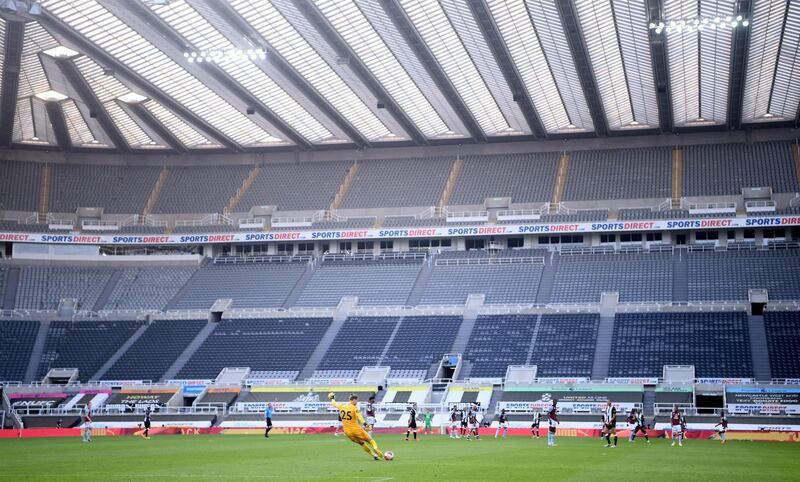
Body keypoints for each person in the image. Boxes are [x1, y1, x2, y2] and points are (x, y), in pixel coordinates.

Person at [328, 393, 385, 461]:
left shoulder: (342, 406)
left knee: (362, 443)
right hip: (356, 429)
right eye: (356, 400)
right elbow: (359, 417)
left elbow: (334, 403)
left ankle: (374, 455)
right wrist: (365, 424)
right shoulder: (354, 408)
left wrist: (332, 398)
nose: (357, 402)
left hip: (347, 432)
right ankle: (375, 449)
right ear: (353, 400)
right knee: (370, 440)